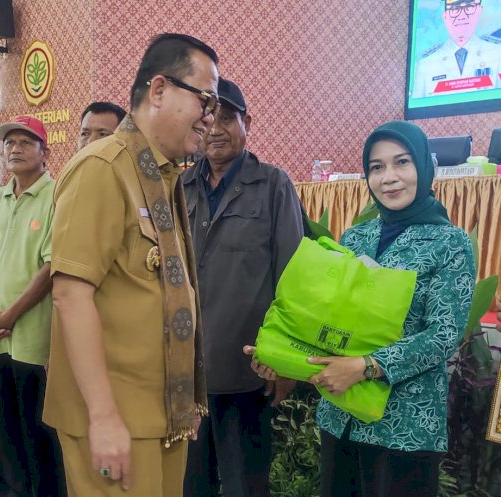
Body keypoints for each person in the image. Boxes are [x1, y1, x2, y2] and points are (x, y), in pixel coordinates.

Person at [246, 120, 475, 497]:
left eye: (402, 162)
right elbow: (333, 321)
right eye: (377, 167)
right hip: (342, 418)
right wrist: (282, 358)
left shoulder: (449, 243)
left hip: (405, 425)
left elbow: (443, 334)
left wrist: (367, 366)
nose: (389, 177)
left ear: (423, 165)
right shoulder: (357, 237)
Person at [43, 33, 219, 497]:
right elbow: (70, 293)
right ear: (158, 90)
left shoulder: (162, 176)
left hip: (160, 414)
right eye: (205, 99)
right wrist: (102, 418)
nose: (210, 118)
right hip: (113, 417)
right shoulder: (103, 169)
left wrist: (185, 402)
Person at [181, 78, 303, 497]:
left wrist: (284, 362)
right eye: (208, 117)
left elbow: (292, 276)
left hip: (247, 371)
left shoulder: (273, 185)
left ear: (247, 122)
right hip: (186, 373)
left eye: (228, 117)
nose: (216, 128)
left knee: (244, 486)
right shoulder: (179, 188)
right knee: (189, 484)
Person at [0, 115, 65, 497]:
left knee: (38, 431)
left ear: (45, 152)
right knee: (5, 427)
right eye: (9, 143)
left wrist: (10, 315)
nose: (15, 149)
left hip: (31, 334)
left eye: (26, 142)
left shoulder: (56, 195)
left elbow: (50, 267)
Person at [412, 0, 501, 98]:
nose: (462, 16)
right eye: (455, 9)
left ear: (479, 11)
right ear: (445, 16)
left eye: (469, 7)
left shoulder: (497, 54)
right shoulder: (426, 64)